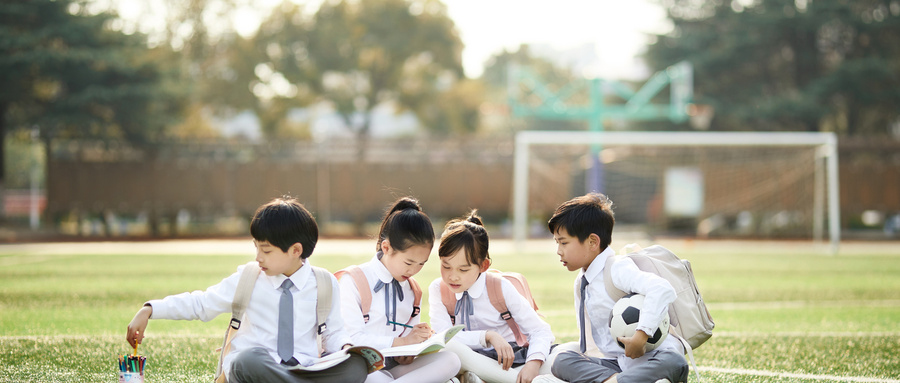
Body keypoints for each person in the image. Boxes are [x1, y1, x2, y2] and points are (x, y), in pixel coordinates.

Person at [126, 197, 368, 383]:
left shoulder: (324, 282)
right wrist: (150, 309)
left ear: (296, 250)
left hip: (305, 370)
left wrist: (347, 348)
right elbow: (202, 304)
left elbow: (333, 334)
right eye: (256, 248)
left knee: (356, 366)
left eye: (266, 250)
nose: (258, 257)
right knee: (247, 359)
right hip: (257, 369)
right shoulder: (249, 277)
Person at [547, 193, 688, 383]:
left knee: (675, 361)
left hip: (653, 360)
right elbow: (589, 344)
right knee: (562, 361)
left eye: (563, 242)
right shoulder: (582, 282)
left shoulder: (617, 267)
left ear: (592, 242)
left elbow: (662, 289)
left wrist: (641, 335)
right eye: (557, 243)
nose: (559, 250)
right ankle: (617, 381)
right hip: (619, 365)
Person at [338, 197, 461, 383]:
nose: (413, 271)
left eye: (421, 264)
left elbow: (406, 346)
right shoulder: (354, 280)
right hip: (362, 369)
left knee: (451, 360)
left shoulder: (413, 290)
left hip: (394, 371)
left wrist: (409, 351)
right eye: (409, 262)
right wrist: (402, 342)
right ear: (386, 247)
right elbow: (353, 340)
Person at [429, 210, 558, 383]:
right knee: (449, 348)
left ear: (483, 265)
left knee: (565, 353)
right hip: (466, 358)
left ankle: (484, 378)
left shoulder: (499, 286)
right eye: (446, 266)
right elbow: (443, 337)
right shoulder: (439, 288)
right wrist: (487, 336)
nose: (453, 276)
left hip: (510, 360)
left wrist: (533, 364)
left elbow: (540, 331)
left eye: (463, 269)